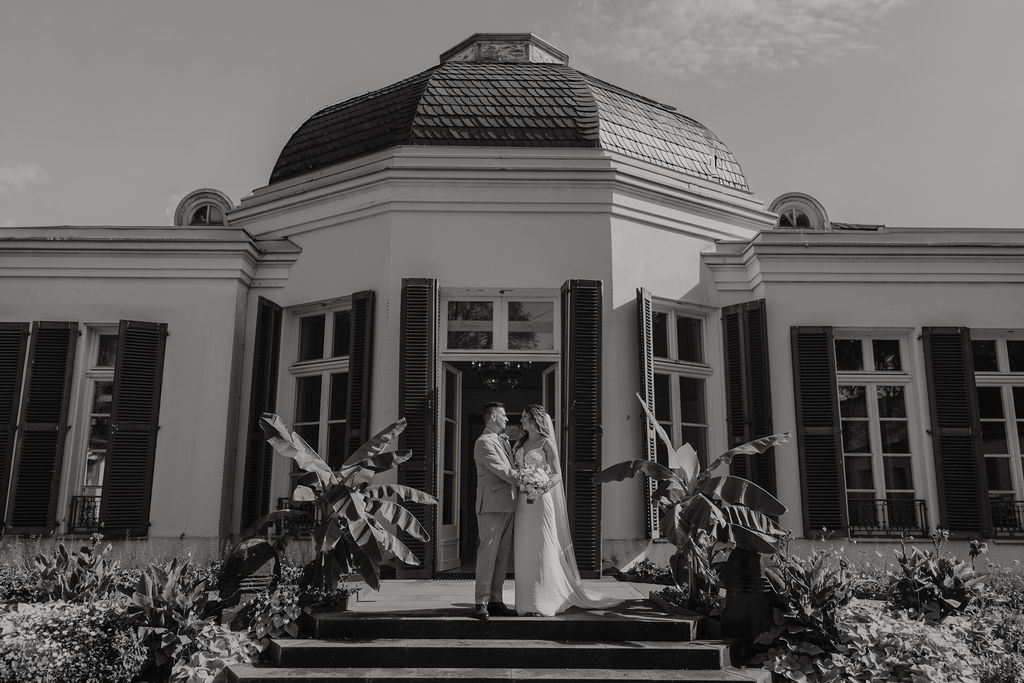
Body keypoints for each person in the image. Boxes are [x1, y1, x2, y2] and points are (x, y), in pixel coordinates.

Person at [513, 404, 621, 616]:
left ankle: (543, 600)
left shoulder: (546, 443)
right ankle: (525, 600)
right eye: (523, 416)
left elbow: (557, 474)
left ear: (535, 419)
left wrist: (540, 486)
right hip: (523, 504)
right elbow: (516, 471)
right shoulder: (520, 443)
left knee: (542, 547)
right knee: (524, 548)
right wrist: (522, 481)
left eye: (525, 417)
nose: (522, 420)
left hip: (541, 500)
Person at [471, 401, 518, 620]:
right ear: (493, 417)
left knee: (501, 557)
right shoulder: (483, 443)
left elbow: (512, 466)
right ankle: (481, 602)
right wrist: (530, 478)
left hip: (508, 504)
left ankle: (496, 600)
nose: (506, 419)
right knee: (487, 556)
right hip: (490, 506)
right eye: (503, 415)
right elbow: (504, 471)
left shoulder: (504, 440)